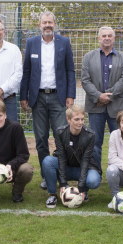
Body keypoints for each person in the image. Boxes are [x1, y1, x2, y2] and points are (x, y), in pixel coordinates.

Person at [19, 11, 76, 191]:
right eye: (44, 22)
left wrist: (70, 95)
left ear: (54, 24)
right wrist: (23, 96)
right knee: (41, 139)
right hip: (38, 98)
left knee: (62, 138)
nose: (47, 25)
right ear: (39, 25)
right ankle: (46, 175)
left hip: (59, 97)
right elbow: (26, 71)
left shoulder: (64, 42)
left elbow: (70, 70)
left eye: (50, 22)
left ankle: (61, 174)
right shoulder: (32, 43)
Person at [81, 26, 123, 159]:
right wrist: (98, 96)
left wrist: (108, 95)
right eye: (104, 36)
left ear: (114, 38)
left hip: (117, 106)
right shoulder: (88, 57)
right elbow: (85, 80)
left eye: (109, 36)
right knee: (94, 142)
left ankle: (120, 169)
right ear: (99, 38)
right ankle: (95, 169)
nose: (107, 38)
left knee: (120, 141)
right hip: (95, 106)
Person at [41, 104, 102, 208]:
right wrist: (63, 183)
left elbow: (86, 160)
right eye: (77, 119)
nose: (80, 122)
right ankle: (52, 195)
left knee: (93, 181)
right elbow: (61, 157)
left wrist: (81, 186)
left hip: (83, 168)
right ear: (68, 120)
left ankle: (84, 191)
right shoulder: (60, 132)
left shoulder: (90, 135)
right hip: (67, 167)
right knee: (47, 161)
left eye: (82, 119)